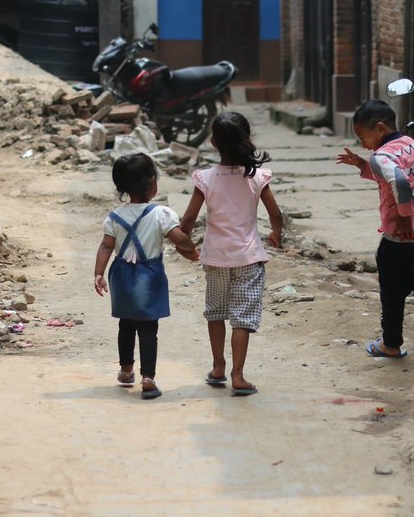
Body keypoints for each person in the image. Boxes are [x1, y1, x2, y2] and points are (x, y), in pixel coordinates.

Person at [336, 99, 414, 365]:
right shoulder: (412, 145)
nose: (363, 144)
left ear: (379, 129)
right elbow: (397, 174)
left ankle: (390, 345)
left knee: (392, 291)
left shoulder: (381, 156)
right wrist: (361, 165)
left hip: (399, 239)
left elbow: (398, 181)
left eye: (362, 136)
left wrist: (402, 215)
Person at [180, 112, 283, 396]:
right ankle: (238, 375)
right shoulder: (257, 177)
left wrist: (184, 243)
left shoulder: (206, 178)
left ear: (213, 143)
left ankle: (218, 367)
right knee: (242, 318)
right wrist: (276, 234)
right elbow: (275, 214)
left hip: (215, 258)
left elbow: (189, 219)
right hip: (249, 259)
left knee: (216, 313)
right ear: (247, 140)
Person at [94, 153, 199, 399]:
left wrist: (99, 273)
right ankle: (148, 378)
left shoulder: (114, 217)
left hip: (121, 275)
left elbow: (106, 246)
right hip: (149, 275)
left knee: (126, 323)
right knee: (149, 328)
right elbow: (178, 238)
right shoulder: (161, 213)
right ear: (152, 183)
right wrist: (192, 250)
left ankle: (126, 370)